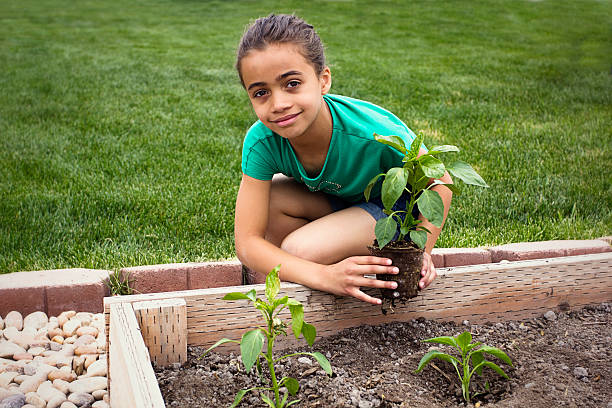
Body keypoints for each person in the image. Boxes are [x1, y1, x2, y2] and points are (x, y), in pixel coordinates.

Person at [234, 14, 453, 305]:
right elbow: (247, 243)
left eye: (292, 84)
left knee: (299, 251)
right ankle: (334, 276)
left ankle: (372, 269)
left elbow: (441, 181)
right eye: (261, 92)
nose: (279, 104)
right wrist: (321, 275)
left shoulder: (370, 133)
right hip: (342, 200)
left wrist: (422, 250)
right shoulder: (262, 142)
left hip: (394, 209)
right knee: (272, 199)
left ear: (323, 80)